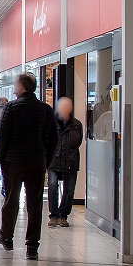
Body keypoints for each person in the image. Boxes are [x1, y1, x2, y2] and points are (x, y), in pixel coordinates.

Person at [0, 73, 57, 260]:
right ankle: (32, 247)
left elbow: (2, 136)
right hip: (36, 162)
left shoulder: (12, 108)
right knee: (34, 204)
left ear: (21, 86)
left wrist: (0, 159)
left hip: (13, 162)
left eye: (15, 84)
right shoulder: (45, 109)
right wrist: (47, 161)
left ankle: (7, 236)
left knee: (11, 199)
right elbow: (53, 139)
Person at [49, 97, 83, 228]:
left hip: (71, 160)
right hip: (54, 161)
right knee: (52, 186)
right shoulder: (52, 123)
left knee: (69, 190)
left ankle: (63, 215)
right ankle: (53, 215)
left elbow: (76, 142)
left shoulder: (76, 124)